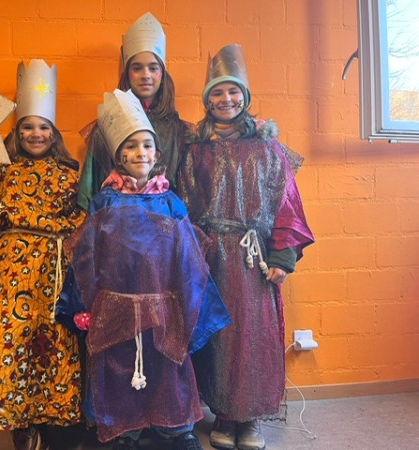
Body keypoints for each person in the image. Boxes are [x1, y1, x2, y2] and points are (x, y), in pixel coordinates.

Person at [56, 89, 231, 450]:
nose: (140, 153)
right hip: (116, 305)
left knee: (167, 365)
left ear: (157, 154)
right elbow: (88, 256)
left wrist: (192, 305)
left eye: (147, 146)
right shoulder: (105, 201)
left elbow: (187, 259)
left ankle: (174, 428)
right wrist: (81, 304)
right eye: (131, 146)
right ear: (118, 155)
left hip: (162, 305)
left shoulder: (170, 201)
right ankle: (124, 431)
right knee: (118, 365)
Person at [177, 44, 315, 450]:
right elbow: (183, 204)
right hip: (210, 256)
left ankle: (250, 417)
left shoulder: (268, 149)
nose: (226, 100)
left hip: (254, 260)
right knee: (218, 338)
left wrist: (282, 256)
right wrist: (190, 255)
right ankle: (223, 414)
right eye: (217, 93)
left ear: (245, 96)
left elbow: (287, 204)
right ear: (207, 100)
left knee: (253, 338)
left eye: (233, 91)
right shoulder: (195, 150)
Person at [0, 60, 86, 450]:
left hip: (55, 273)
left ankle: (52, 425)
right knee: (12, 344)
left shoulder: (70, 174)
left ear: (54, 133)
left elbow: (82, 219)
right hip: (10, 274)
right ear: (16, 130)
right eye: (28, 126)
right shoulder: (0, 173)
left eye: (43, 127)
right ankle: (20, 426)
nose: (35, 134)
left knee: (54, 345)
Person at [77, 12, 193, 210]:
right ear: (127, 73)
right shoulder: (104, 130)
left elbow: (187, 196)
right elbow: (90, 194)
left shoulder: (178, 132)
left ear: (162, 74)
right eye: (137, 68)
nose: (145, 75)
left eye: (153, 68)